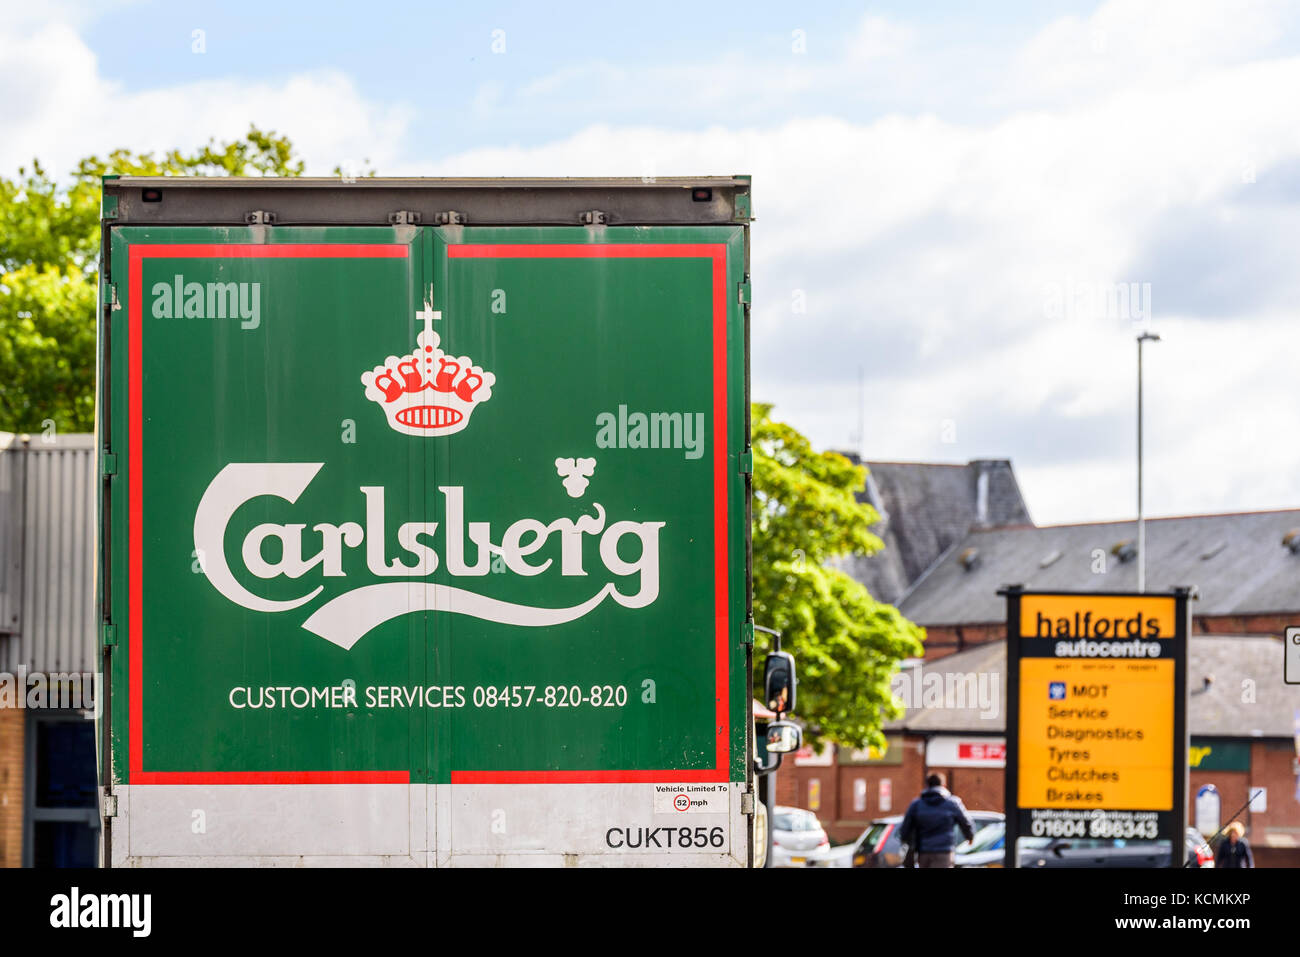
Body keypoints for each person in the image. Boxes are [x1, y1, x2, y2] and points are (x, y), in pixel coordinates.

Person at [899, 772, 975, 868]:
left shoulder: (916, 804)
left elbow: (906, 826)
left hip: (924, 851)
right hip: (944, 851)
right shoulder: (952, 803)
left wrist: (905, 840)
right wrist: (970, 836)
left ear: (927, 785)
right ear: (943, 785)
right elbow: (966, 822)